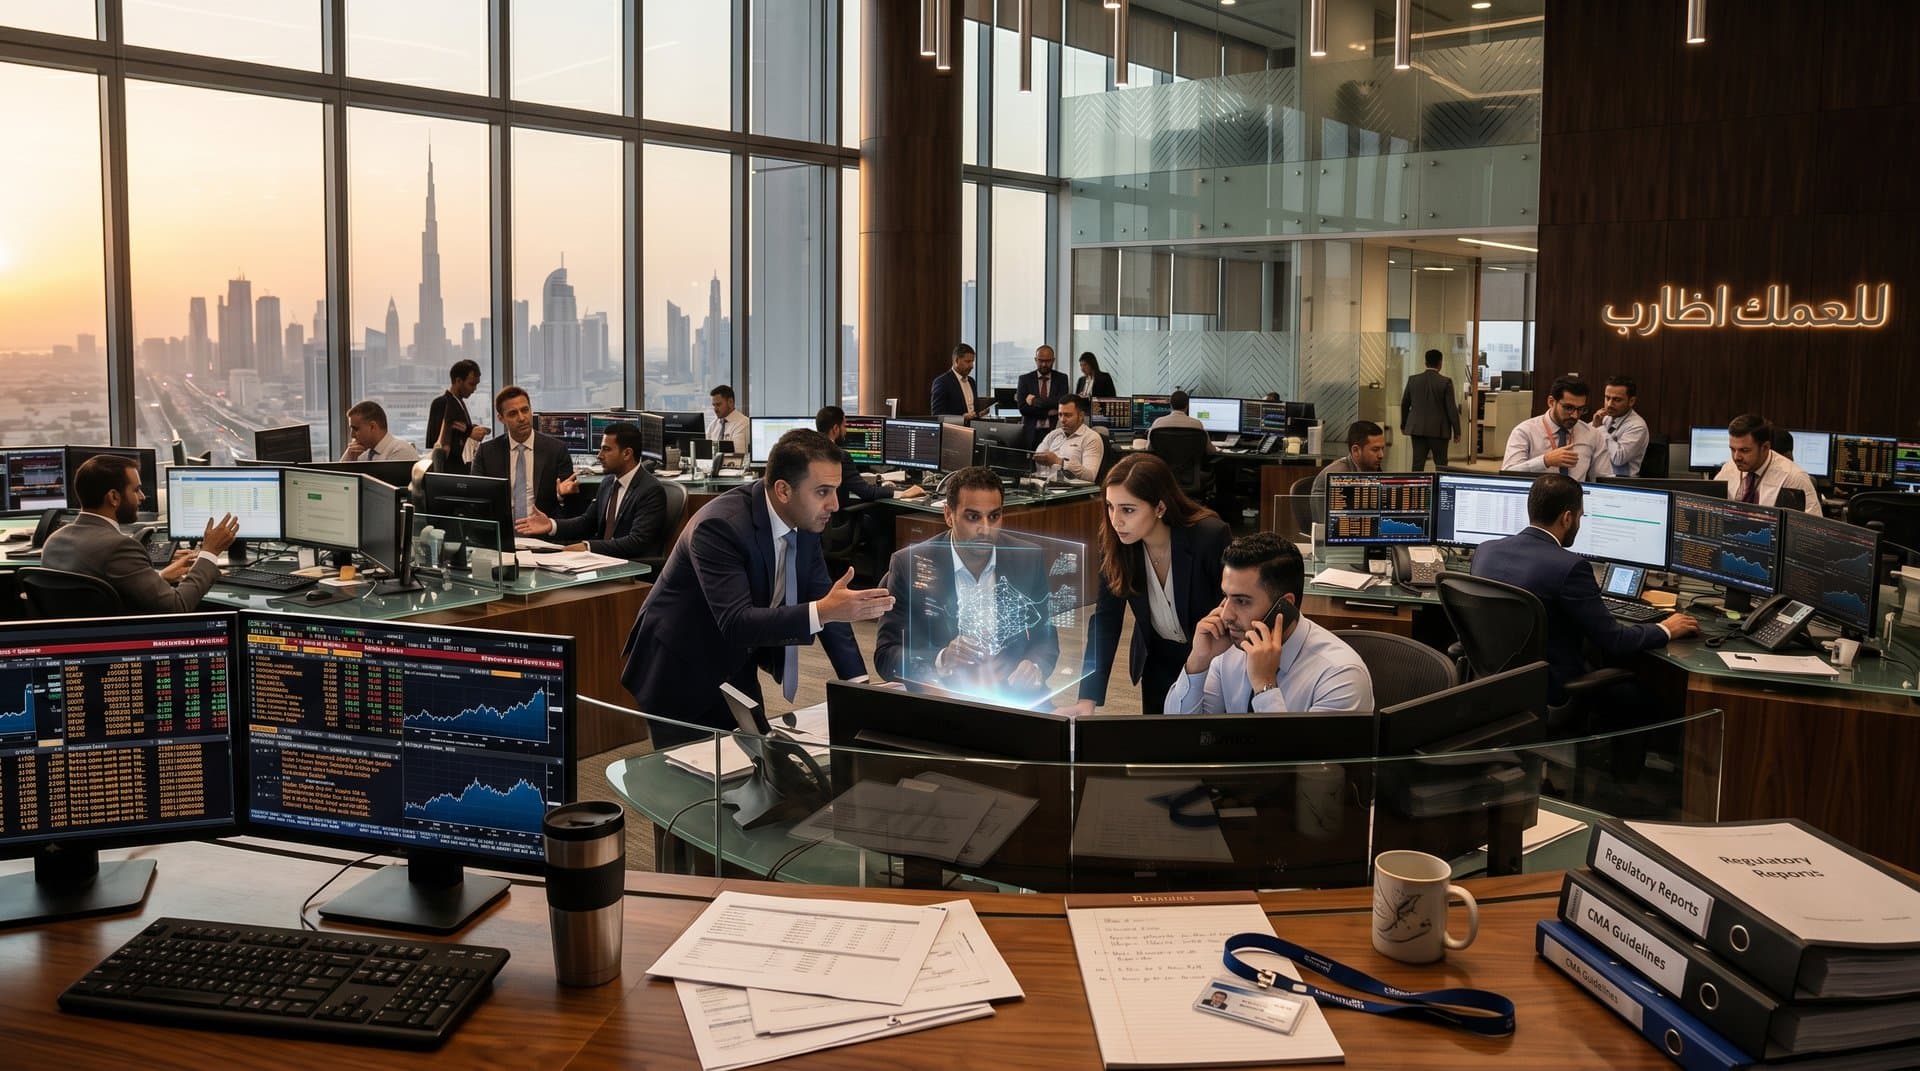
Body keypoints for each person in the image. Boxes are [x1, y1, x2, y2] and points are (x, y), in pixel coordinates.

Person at [620, 430, 890, 747]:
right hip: (680, 665)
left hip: (735, 659)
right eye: (822, 492)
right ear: (783, 490)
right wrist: (825, 610)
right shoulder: (720, 526)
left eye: (836, 490)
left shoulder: (805, 523)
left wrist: (860, 689)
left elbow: (827, 604)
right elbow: (737, 621)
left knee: (759, 760)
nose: (834, 503)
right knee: (691, 779)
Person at [1470, 474, 1698, 704]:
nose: (1579, 522)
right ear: (1567, 518)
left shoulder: (1485, 551)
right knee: (1652, 700)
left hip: (1496, 681)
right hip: (1552, 689)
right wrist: (1666, 628)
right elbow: (1616, 641)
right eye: (1581, 516)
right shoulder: (1570, 567)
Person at [1062, 454, 1232, 716]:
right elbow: (1106, 620)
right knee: (1157, 748)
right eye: (1110, 506)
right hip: (1157, 661)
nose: (1115, 520)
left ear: (1160, 508)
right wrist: (1088, 698)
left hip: (1214, 663)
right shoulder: (1118, 541)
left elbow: (1234, 608)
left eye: (1128, 509)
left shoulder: (1208, 537)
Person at [873, 466, 1059, 696]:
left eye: (994, 516)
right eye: (973, 517)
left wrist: (1035, 666)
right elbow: (886, 655)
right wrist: (942, 659)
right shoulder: (909, 564)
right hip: (942, 697)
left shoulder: (1027, 558)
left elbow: (1046, 639)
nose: (986, 529)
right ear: (949, 516)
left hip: (1012, 695)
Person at [1168, 532, 1373, 713]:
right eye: (1225, 597)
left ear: (1284, 606)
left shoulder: (1340, 675)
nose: (1225, 616)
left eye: (1241, 601)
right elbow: (1181, 736)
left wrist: (1265, 686)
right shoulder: (1229, 647)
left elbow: (1308, 757)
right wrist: (1198, 661)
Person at [41, 454, 239, 613]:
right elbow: (177, 606)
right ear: (114, 497)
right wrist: (209, 552)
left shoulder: (53, 541)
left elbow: (96, 597)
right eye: (136, 490)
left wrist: (159, 578)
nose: (142, 497)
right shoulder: (119, 547)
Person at [513, 421, 667, 559]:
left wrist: (588, 547)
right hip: (603, 562)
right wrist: (551, 525)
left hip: (631, 569)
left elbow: (636, 542)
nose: (599, 456)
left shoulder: (650, 490)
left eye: (606, 450)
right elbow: (587, 522)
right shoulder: (608, 483)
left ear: (627, 453)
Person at [472, 386, 576, 520]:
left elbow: (571, 507)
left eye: (525, 410)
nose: (521, 418)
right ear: (501, 418)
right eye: (513, 413)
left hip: (543, 533)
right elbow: (475, 499)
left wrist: (561, 495)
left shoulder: (556, 450)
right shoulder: (486, 452)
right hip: (503, 533)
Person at [816, 406, 925, 505]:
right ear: (835, 429)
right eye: (844, 426)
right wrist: (900, 493)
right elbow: (867, 492)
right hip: (837, 519)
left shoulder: (810, 453)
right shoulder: (840, 456)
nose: (846, 430)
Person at [1715, 414, 1820, 514]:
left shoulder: (1793, 478)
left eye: (1744, 450)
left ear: (1765, 447)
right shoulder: (1729, 469)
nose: (1736, 457)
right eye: (1733, 449)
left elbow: (1812, 529)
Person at [1503, 375, 1601, 481]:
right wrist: (1545, 461)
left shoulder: (1592, 435)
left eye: (1581, 409)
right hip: (1535, 496)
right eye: (1568, 408)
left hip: (1576, 497)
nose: (1575, 415)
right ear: (1551, 402)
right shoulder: (1524, 432)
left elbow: (1602, 479)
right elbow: (1508, 474)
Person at [1400, 349, 1461, 471]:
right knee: (1441, 464)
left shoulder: (1413, 380)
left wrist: (1404, 424)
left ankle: (1417, 488)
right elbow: (1451, 409)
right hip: (1439, 430)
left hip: (1417, 429)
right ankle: (1439, 488)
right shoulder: (1445, 382)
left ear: (1425, 363)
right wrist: (1457, 431)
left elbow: (1405, 404)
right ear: (1440, 363)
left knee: (1417, 464)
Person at [426, 358, 487, 471]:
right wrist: (469, 432)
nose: (474, 389)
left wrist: (470, 430)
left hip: (458, 471)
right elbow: (437, 443)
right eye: (471, 384)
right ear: (458, 381)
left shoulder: (458, 402)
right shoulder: (442, 403)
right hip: (449, 473)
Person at [1309, 420, 1386, 503]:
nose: (1381, 455)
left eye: (1382, 449)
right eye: (1375, 449)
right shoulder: (1338, 476)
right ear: (1356, 450)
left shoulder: (1372, 469)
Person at [1033, 395, 1104, 482]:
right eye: (1060, 415)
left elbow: (1090, 476)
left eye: (1068, 415)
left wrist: (1060, 462)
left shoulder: (1091, 438)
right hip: (1047, 487)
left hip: (1073, 491)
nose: (1062, 420)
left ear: (1081, 415)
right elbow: (1037, 459)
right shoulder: (1053, 434)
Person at [1591, 375, 1649, 477]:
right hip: (1598, 479)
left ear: (1631, 401)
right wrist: (1593, 426)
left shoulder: (1637, 426)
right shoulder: (1606, 417)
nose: (1609, 404)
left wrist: (1599, 428)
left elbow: (1618, 458)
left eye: (1617, 400)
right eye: (1607, 398)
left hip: (1621, 484)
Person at [1015, 345, 1070, 448]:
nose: (1044, 364)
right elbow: (1023, 408)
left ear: (1053, 360)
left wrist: (1035, 401)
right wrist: (1047, 412)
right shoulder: (1025, 379)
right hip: (1031, 432)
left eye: (1048, 361)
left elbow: (1062, 402)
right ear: (1035, 360)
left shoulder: (1062, 379)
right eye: (1041, 361)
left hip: (1054, 431)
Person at [340, 400, 421, 462]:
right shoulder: (362, 453)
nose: (352, 435)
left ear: (372, 426)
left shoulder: (400, 451)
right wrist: (348, 457)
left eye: (356, 429)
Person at [930, 344, 989, 420]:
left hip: (974, 428)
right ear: (956, 361)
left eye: (972, 362)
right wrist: (961, 418)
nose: (972, 366)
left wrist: (979, 414)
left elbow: (973, 410)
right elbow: (937, 415)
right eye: (968, 362)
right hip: (956, 430)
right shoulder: (942, 382)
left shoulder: (971, 381)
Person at [1148, 391, 1216, 453]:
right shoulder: (1197, 424)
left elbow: (1149, 449)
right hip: (1190, 465)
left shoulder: (1158, 423)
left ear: (1170, 405)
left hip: (1163, 465)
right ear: (1187, 406)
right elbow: (1210, 450)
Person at [707, 384, 750, 455]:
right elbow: (705, 449)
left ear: (730, 402)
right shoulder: (714, 424)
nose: (715, 409)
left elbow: (738, 455)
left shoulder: (743, 423)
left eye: (718, 405)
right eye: (714, 405)